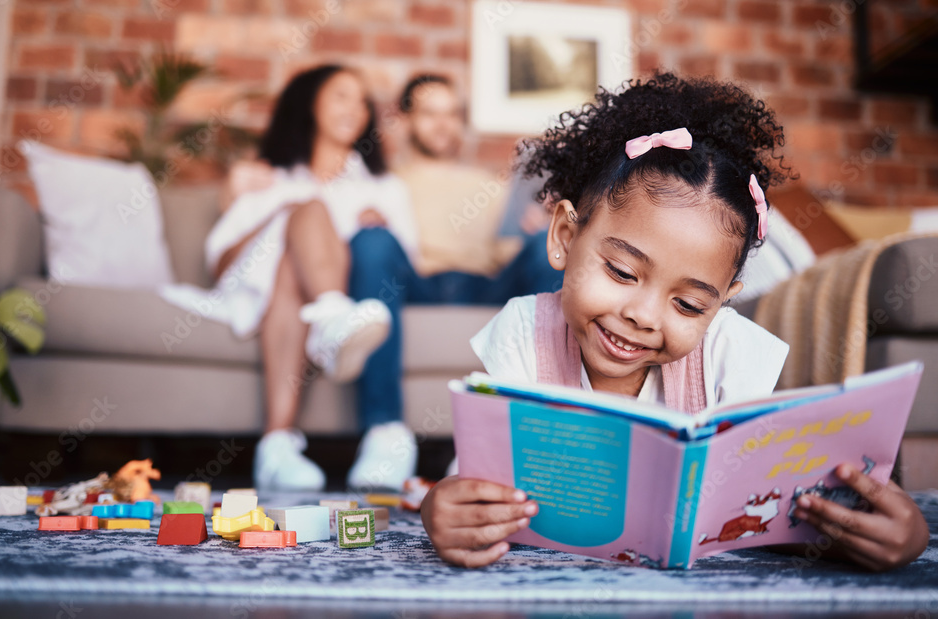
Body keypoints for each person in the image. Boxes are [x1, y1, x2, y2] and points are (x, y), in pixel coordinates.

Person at [420, 73, 930, 570]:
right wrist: (440, 510)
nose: (642, 316)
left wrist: (870, 531)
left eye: (688, 305)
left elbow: (765, 509)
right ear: (564, 237)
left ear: (723, 303)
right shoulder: (523, 333)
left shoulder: (730, 352)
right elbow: (475, 484)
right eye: (622, 272)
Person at [161, 65, 418, 491]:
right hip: (253, 286)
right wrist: (285, 217)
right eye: (340, 95)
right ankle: (331, 316)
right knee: (305, 214)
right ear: (309, 103)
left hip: (325, 294)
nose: (354, 108)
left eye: (361, 100)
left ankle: (276, 447)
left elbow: (404, 268)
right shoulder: (269, 179)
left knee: (300, 264)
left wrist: (378, 230)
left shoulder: (384, 187)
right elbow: (221, 262)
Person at [345, 75, 560, 489]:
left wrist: (538, 229)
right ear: (405, 121)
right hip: (415, 283)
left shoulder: (492, 185)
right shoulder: (383, 180)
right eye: (429, 114)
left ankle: (532, 434)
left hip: (484, 284)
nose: (443, 124)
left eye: (451, 115)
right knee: (371, 241)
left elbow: (510, 255)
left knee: (544, 245)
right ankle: (384, 433)